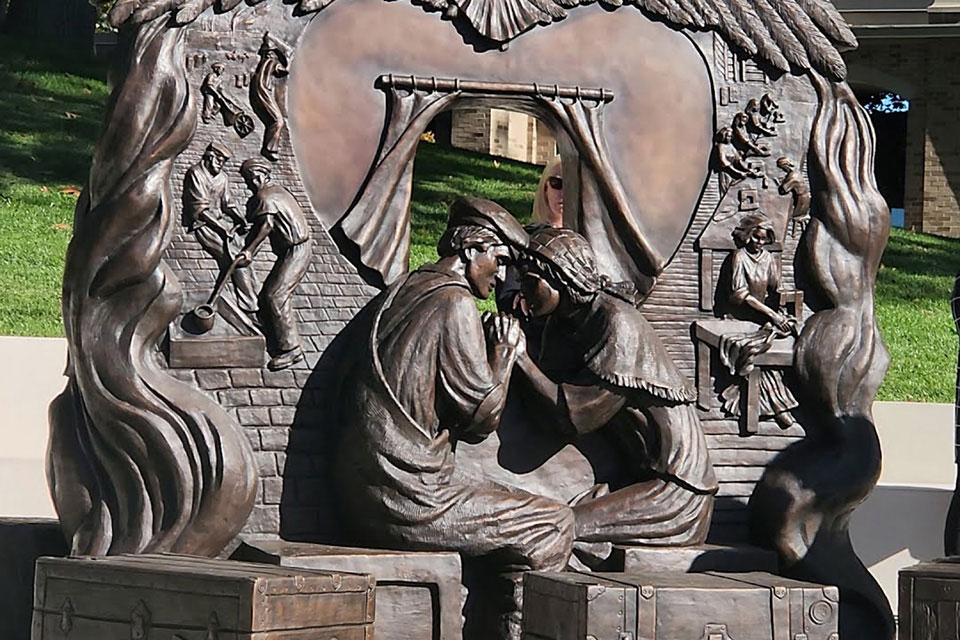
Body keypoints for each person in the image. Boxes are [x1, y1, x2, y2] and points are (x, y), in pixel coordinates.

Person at [334, 197, 575, 637]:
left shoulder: (405, 289)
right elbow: (481, 418)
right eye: (498, 261)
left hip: (364, 484)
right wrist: (503, 355)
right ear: (471, 251)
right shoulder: (455, 303)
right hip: (407, 495)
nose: (502, 275)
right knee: (552, 524)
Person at [513, 227, 718, 546]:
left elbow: (574, 417)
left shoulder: (616, 324)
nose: (521, 290)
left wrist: (519, 357)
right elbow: (540, 401)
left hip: (672, 489)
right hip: (624, 478)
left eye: (529, 281)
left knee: (554, 528)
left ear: (560, 277)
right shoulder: (563, 323)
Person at [718, 213, 799, 427]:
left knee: (781, 339)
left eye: (764, 239)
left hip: (763, 318)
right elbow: (741, 295)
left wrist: (786, 300)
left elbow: (776, 287)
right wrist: (771, 314)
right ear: (748, 236)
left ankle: (764, 404)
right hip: (740, 318)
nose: (760, 243)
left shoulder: (768, 258)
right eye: (756, 238)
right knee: (757, 350)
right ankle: (778, 407)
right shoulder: (739, 257)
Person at [236, 158, 312, 371]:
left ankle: (291, 350)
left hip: (297, 250)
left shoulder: (265, 195)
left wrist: (249, 250)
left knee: (275, 295)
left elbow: (266, 226)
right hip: (293, 248)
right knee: (269, 295)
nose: (247, 183)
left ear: (257, 176)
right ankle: (271, 329)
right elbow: (260, 222)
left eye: (248, 179)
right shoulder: (277, 190)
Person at [182, 142, 259, 315]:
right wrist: (222, 228)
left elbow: (227, 204)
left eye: (223, 161)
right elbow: (199, 210)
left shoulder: (222, 177)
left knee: (244, 256)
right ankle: (250, 307)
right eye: (219, 159)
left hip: (222, 223)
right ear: (209, 156)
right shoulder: (196, 173)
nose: (221, 164)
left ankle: (254, 295)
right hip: (203, 225)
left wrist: (240, 218)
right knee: (234, 259)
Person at [776, 157, 811, 237]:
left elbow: (784, 190)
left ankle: (795, 233)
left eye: (782, 168)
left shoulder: (793, 176)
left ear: (786, 166)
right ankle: (801, 232)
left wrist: (778, 183)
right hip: (805, 197)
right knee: (799, 214)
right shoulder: (796, 173)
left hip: (801, 199)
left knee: (796, 215)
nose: (783, 170)